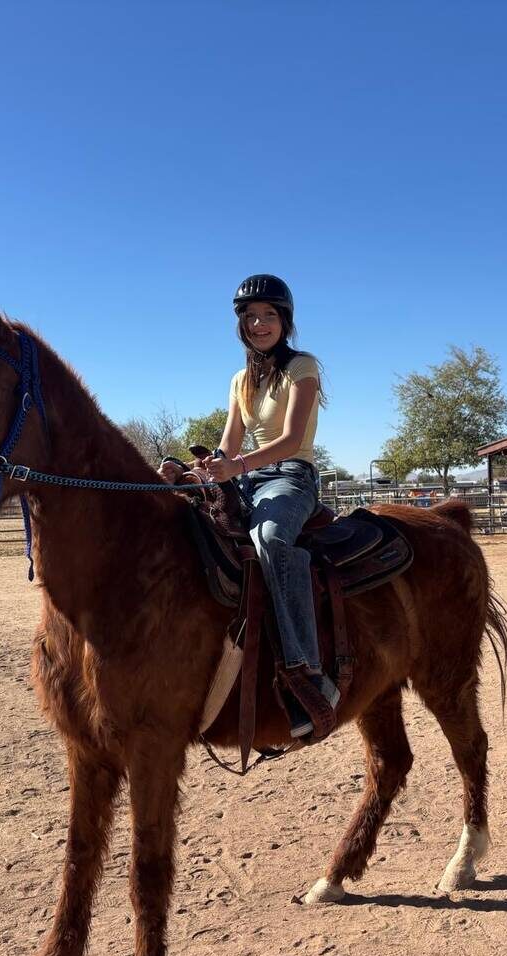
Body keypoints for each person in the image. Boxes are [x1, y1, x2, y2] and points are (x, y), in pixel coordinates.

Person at [158, 274, 335, 740]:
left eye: (269, 315)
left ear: (285, 321)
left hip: (291, 477)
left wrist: (235, 465)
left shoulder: (303, 367)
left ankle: (307, 672)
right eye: (250, 317)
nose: (259, 324)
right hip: (248, 477)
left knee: (272, 540)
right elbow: (226, 446)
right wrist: (190, 473)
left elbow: (293, 439)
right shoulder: (240, 380)